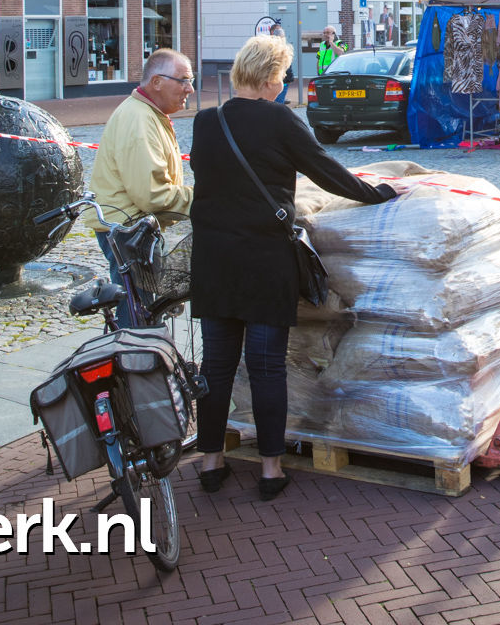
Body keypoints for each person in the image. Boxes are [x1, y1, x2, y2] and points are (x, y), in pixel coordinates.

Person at [188, 35, 399, 500]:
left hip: (213, 260)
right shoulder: (280, 120)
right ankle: (269, 469)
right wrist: (378, 193)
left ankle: (210, 462)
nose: (284, 85)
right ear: (267, 79)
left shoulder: (206, 122)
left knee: (216, 366)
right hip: (264, 259)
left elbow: (207, 179)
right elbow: (325, 169)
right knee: (266, 367)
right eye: (282, 76)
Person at [86, 48, 194, 251]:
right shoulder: (140, 119)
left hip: (131, 226)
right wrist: (203, 198)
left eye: (191, 80)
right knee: (138, 285)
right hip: (129, 228)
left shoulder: (147, 113)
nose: (190, 89)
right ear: (156, 82)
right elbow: (153, 195)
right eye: (183, 80)